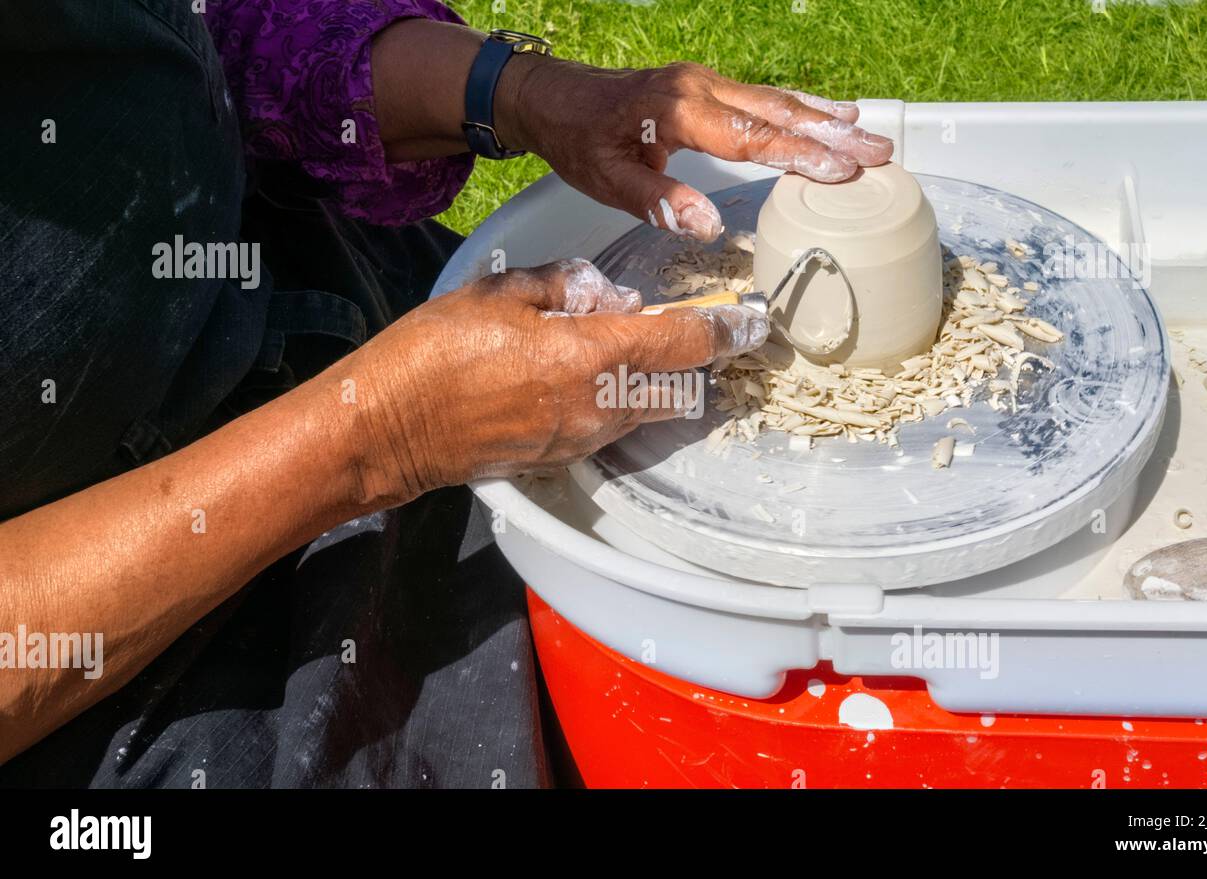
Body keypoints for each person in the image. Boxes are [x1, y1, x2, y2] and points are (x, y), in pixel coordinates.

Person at [0, 0, 892, 787]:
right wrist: (381, 434)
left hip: (310, 303)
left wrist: (513, 89)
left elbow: (205, 31)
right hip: (135, 647)